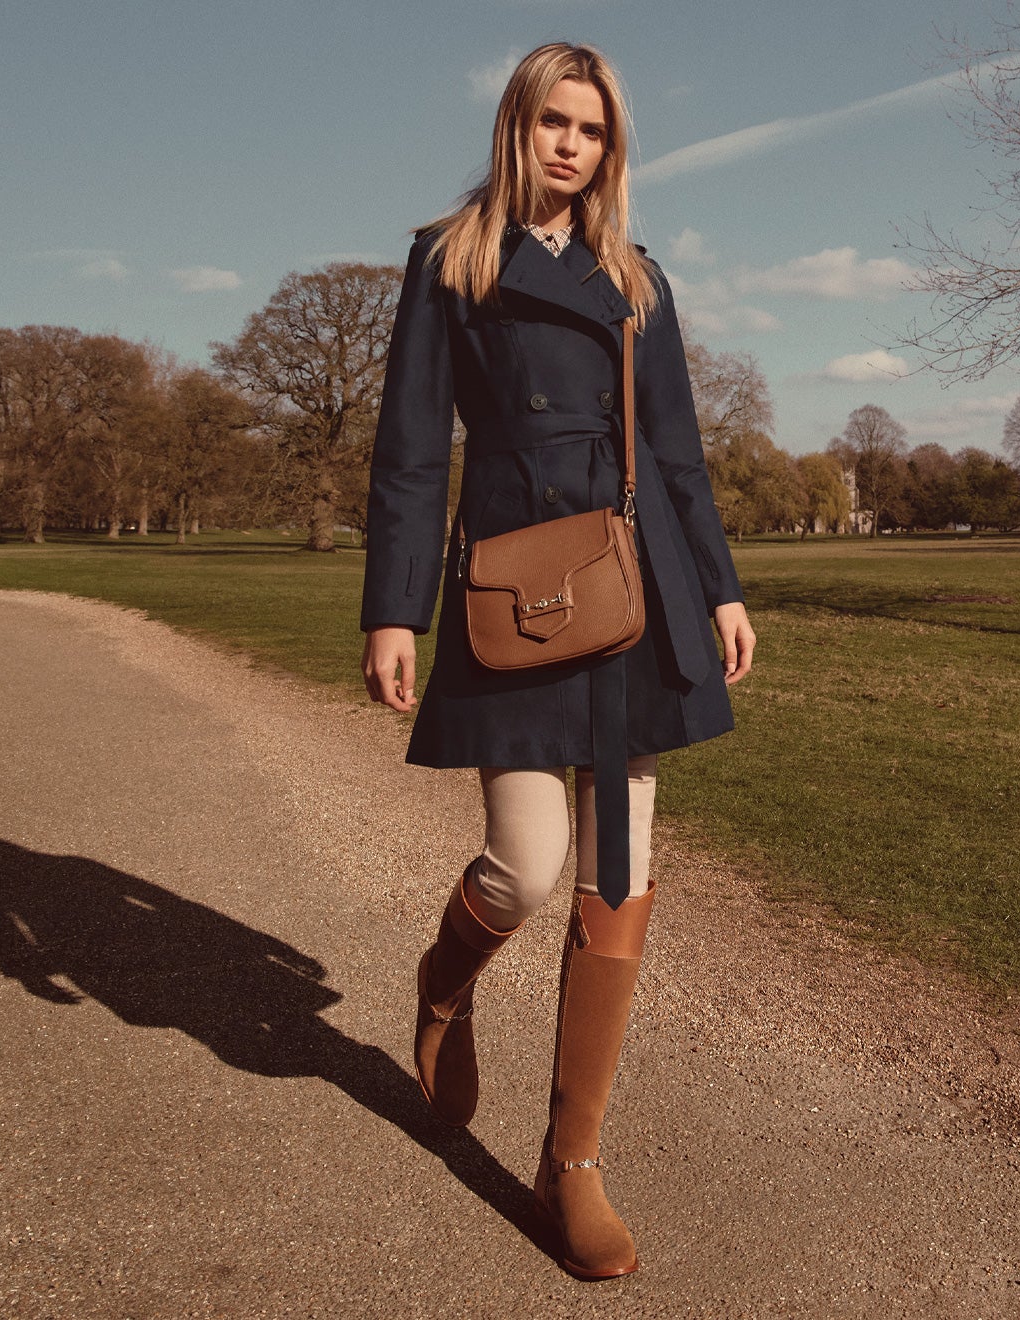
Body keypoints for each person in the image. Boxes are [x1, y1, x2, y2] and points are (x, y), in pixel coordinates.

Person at [357, 42, 755, 1281]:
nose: (572, 145)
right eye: (552, 122)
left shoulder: (636, 278)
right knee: (526, 871)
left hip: (638, 592)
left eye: (592, 128)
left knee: (619, 875)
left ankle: (569, 1162)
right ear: (515, 128)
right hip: (520, 590)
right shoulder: (451, 263)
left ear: (610, 146)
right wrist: (394, 611)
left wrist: (726, 585)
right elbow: (414, 448)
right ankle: (444, 978)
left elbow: (680, 453)